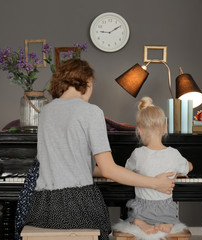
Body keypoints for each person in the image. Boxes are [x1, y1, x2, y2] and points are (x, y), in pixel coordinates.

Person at [19, 59, 177, 240]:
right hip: (75, 208)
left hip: (42, 208)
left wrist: (129, 173)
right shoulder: (91, 112)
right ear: (87, 82)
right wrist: (154, 182)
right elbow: (109, 170)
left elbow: (71, 165)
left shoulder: (45, 111)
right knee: (109, 225)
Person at [122, 97, 193, 235]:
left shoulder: (137, 153)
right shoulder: (173, 154)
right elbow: (187, 167)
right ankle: (166, 223)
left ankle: (139, 221)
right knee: (171, 215)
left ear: (140, 131)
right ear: (164, 129)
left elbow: (126, 173)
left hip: (142, 207)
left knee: (134, 214)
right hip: (165, 208)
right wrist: (186, 167)